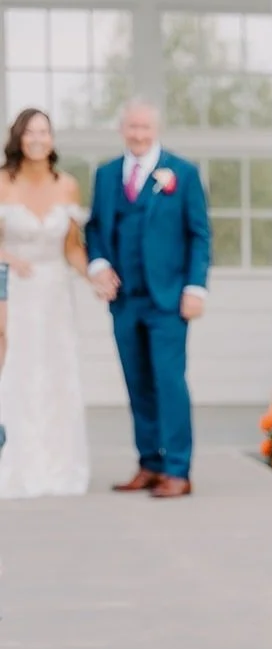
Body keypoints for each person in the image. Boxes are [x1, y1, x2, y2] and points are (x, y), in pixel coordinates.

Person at [85, 99, 211, 499]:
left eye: (145, 128)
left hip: (169, 300)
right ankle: (149, 464)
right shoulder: (106, 175)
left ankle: (178, 468)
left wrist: (195, 287)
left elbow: (199, 234)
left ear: (156, 129)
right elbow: (95, 229)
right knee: (137, 382)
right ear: (122, 128)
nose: (138, 134)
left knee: (169, 382)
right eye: (131, 127)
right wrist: (99, 264)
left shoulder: (183, 173)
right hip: (125, 300)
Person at [0, 108, 91, 500]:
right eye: (30, 132)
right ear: (18, 137)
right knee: (16, 375)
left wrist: (97, 275)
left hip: (54, 293)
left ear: (52, 139)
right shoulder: (2, 182)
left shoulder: (67, 185)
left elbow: (72, 248)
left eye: (45, 132)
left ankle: (58, 467)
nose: (38, 139)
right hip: (15, 294)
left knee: (57, 373)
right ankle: (17, 466)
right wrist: (6, 257)